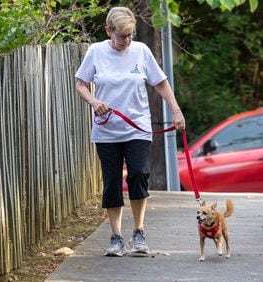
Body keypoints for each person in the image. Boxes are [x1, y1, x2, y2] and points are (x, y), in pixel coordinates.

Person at [74, 6, 185, 256]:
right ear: (108, 31)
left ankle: (139, 231)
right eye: (122, 35)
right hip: (107, 131)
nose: (127, 40)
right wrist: (93, 101)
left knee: (138, 174)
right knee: (111, 182)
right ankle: (116, 237)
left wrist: (176, 111)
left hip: (138, 128)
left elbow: (160, 82)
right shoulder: (96, 52)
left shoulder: (141, 51)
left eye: (130, 35)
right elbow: (81, 84)